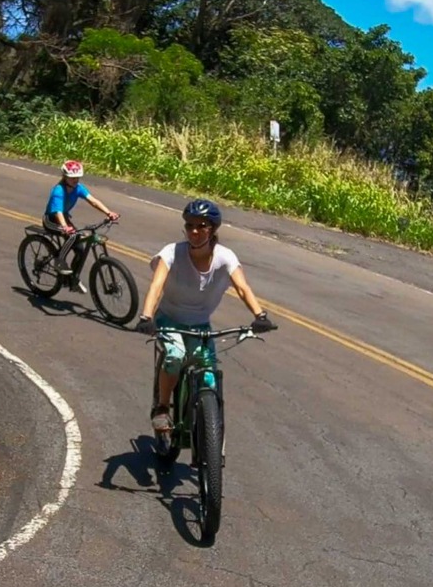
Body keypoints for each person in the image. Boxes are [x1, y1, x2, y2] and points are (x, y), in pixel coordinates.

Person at [136, 198, 276, 434]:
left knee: (209, 373)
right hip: (168, 319)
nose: (194, 231)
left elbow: (242, 287)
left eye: (202, 226)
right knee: (175, 355)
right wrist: (146, 316)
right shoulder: (172, 252)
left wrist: (260, 315)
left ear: (213, 229)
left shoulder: (225, 257)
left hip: (200, 324)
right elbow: (157, 285)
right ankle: (161, 408)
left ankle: (209, 429)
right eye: (190, 225)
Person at [44, 160, 119, 292]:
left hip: (64, 219)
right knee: (72, 235)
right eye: (72, 177)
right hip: (51, 220)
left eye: (77, 177)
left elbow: (93, 201)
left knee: (80, 249)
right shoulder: (58, 191)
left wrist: (108, 212)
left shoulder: (78, 188)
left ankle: (73, 280)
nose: (75, 180)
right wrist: (65, 227)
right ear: (65, 176)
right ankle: (59, 261)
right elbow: (58, 212)